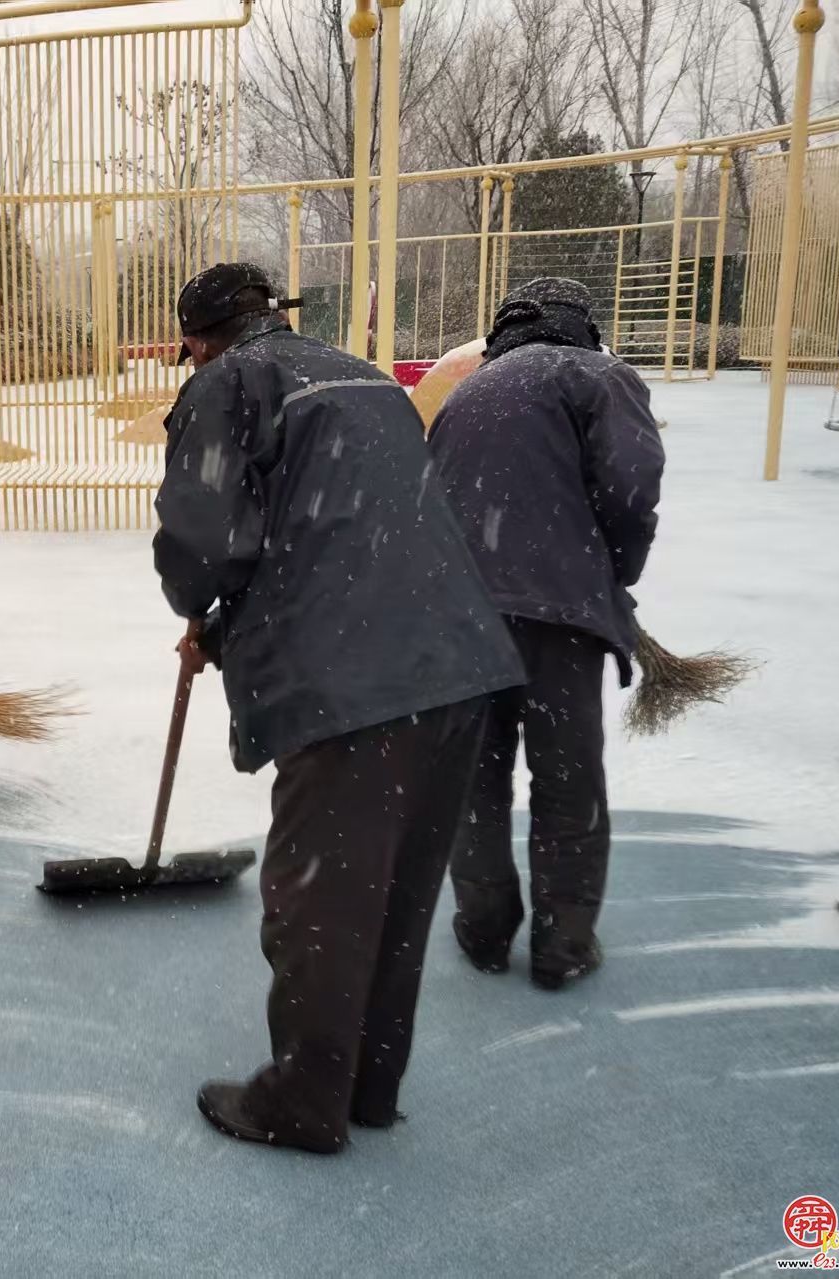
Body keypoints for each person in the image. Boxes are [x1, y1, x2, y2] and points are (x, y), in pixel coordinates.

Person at [153, 262, 525, 1154]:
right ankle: (366, 1081)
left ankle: (303, 1098)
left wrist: (199, 605)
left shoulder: (226, 382)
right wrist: (229, 628)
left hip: (354, 680)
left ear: (201, 339)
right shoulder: (357, 374)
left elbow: (202, 545)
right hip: (458, 660)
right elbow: (346, 526)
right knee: (396, 895)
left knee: (318, 897)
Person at [429, 277, 664, 989]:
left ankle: (483, 929)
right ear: (581, 327)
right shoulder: (597, 376)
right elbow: (631, 485)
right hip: (557, 621)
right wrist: (613, 574)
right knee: (567, 782)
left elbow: (428, 504)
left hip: (463, 621)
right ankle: (563, 945)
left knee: (476, 781)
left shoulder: (464, 395)